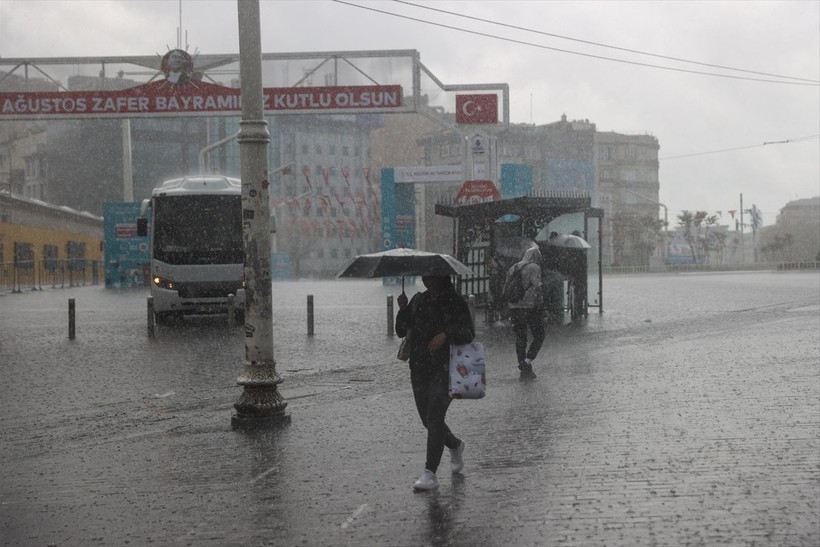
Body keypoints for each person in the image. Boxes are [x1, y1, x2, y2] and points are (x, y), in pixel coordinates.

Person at [396, 275, 475, 491]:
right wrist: (403, 309)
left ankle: (429, 472)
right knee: (427, 419)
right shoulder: (418, 300)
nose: (427, 279)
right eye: (425, 275)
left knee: (436, 414)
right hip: (420, 368)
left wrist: (446, 334)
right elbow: (401, 331)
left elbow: (468, 333)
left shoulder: (454, 301)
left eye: (431, 275)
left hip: (446, 367)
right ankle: (455, 445)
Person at [504, 246, 545, 381]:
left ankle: (524, 368)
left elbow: (506, 288)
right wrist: (541, 305)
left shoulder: (513, 268)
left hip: (514, 307)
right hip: (530, 307)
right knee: (539, 335)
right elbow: (537, 288)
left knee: (520, 337)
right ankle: (526, 362)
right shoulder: (534, 267)